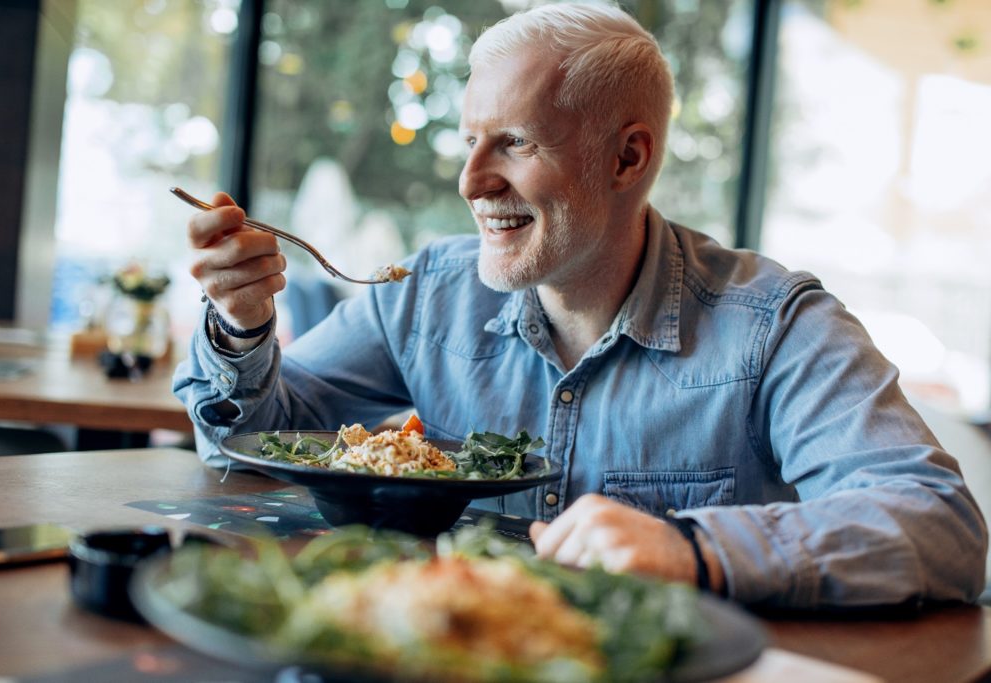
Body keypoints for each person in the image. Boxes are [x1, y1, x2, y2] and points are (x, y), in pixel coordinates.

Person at [174, 2, 987, 607]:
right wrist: (241, 327)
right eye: (469, 142)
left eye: (516, 143)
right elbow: (244, 440)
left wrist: (693, 549)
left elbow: (942, 528)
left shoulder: (776, 327)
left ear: (629, 157)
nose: (471, 182)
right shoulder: (425, 293)